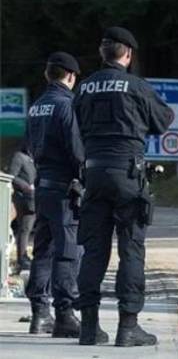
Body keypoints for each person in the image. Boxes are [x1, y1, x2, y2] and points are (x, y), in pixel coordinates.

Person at [72, 27, 172, 346]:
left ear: (103, 54)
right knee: (131, 250)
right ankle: (128, 327)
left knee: (93, 251)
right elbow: (164, 120)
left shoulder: (84, 88)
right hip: (128, 175)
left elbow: (74, 128)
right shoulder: (137, 87)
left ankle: (89, 328)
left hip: (93, 175)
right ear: (128, 54)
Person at [24, 51, 84, 338]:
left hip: (43, 184)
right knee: (67, 250)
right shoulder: (67, 105)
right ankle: (65, 314)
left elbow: (30, 146)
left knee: (42, 250)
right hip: (63, 187)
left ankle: (39, 314)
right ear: (70, 76)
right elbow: (76, 150)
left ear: (47, 75)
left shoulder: (36, 106)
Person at [8, 144, 36, 273]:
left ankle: (26, 256)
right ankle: (22, 258)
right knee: (24, 229)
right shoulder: (20, 157)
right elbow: (12, 176)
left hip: (35, 199)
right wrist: (26, 187)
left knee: (29, 229)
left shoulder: (34, 159)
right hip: (24, 198)